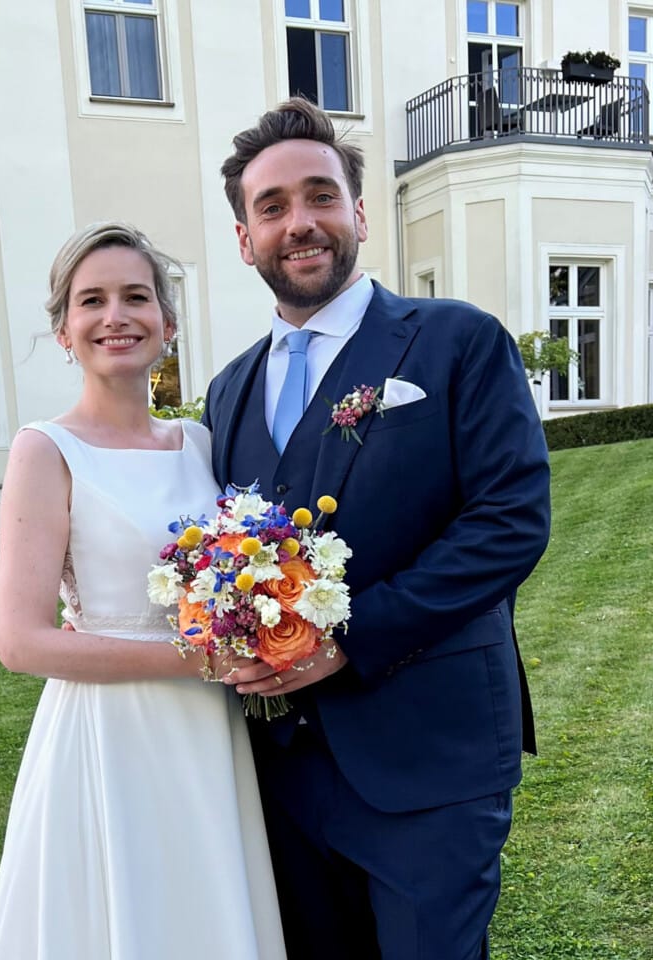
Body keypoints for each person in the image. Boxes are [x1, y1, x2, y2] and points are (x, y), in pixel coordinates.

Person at [203, 98, 551, 960]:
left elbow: (510, 522)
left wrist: (351, 640)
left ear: (358, 212)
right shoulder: (227, 391)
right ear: (245, 239)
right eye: (272, 207)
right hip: (279, 771)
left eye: (320, 196)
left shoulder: (456, 342)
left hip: (430, 757)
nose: (300, 224)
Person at [0, 222, 285, 960]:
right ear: (64, 331)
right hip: (110, 732)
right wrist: (198, 661)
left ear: (168, 324)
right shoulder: (45, 450)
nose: (115, 316)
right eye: (92, 301)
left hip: (209, 731)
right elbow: (20, 642)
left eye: (135, 297)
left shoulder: (200, 445)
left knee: (206, 910)